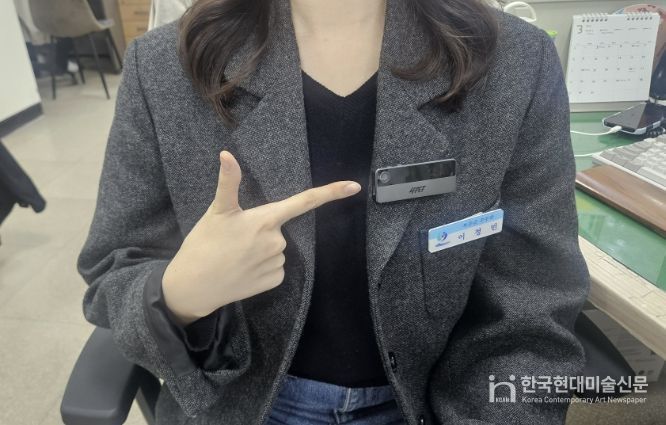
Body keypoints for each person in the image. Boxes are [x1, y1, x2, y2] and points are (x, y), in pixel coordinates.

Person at [77, 0, 591, 424]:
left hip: (438, 400)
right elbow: (113, 272)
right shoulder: (164, 68)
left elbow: (533, 301)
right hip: (238, 403)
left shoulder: (515, 63)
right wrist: (180, 295)